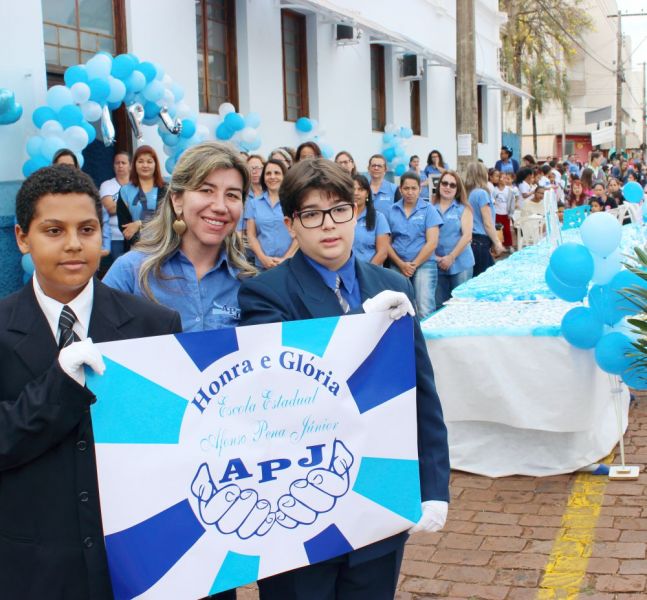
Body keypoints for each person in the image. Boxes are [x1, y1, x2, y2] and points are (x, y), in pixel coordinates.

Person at [237, 158, 449, 600]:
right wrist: (359, 323)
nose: (328, 224)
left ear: (357, 212)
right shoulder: (265, 292)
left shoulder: (392, 285)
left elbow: (421, 393)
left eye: (339, 210)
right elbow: (280, 394)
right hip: (298, 509)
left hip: (377, 497)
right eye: (312, 214)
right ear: (291, 224)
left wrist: (433, 485)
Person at [1, 165, 181, 599]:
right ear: (22, 237)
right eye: (53, 230)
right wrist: (59, 384)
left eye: (86, 229)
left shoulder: (152, 324)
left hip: (132, 559)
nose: (73, 244)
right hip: (34, 566)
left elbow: (172, 441)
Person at [104, 142, 255, 333]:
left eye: (232, 195)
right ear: (177, 200)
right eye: (206, 190)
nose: (220, 207)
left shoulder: (247, 282)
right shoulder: (130, 272)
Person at [386, 172, 443, 319]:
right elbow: (386, 243)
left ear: (419, 189)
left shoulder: (429, 210)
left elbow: (432, 242)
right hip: (398, 264)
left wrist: (413, 265)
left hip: (424, 264)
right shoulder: (391, 210)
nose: (410, 192)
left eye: (413, 188)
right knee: (397, 309)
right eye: (406, 188)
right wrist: (401, 264)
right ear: (400, 189)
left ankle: (426, 335)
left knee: (424, 307)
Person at [245, 158, 297, 269]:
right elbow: (251, 236)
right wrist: (263, 258)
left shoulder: (294, 202)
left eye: (277, 173)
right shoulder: (253, 203)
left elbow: (300, 234)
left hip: (290, 264)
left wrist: (286, 259)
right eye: (268, 173)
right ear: (263, 178)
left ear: (284, 176)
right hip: (262, 266)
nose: (272, 177)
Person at [431, 171, 474, 307]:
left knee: (460, 306)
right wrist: (436, 258)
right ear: (439, 185)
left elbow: (467, 236)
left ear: (457, 189)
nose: (448, 187)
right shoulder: (429, 208)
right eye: (444, 183)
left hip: (461, 264)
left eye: (452, 185)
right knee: (439, 306)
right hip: (437, 263)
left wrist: (451, 257)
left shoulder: (464, 209)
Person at [117, 145, 166, 250]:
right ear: (134, 164)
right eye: (140, 161)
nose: (145, 165)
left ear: (155, 164)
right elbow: (124, 226)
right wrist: (140, 244)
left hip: (161, 247)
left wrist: (140, 224)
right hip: (136, 248)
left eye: (149, 162)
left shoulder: (165, 189)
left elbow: (166, 219)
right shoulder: (125, 191)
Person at [466, 162, 504, 277]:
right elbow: (487, 222)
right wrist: (497, 242)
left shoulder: (467, 194)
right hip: (481, 241)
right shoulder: (482, 193)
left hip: (471, 240)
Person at [99, 151, 131, 262]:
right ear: (113, 166)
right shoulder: (107, 185)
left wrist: (118, 204)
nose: (120, 165)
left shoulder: (137, 185)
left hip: (135, 236)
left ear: (130, 166)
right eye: (117, 163)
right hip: (114, 238)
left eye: (123, 163)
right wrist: (132, 204)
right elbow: (110, 209)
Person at [351, 174, 390, 265]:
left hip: (370, 270)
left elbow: (382, 253)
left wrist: (366, 271)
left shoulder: (378, 218)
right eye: (352, 189)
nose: (356, 193)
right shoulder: (340, 217)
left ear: (367, 193)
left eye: (360, 189)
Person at [493, 171, 515, 250]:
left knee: (507, 230)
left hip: (506, 213)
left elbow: (512, 202)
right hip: (496, 213)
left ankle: (509, 245)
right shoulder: (494, 190)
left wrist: (511, 213)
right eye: (502, 177)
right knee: (497, 230)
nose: (504, 179)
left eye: (505, 178)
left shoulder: (509, 190)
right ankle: (498, 246)